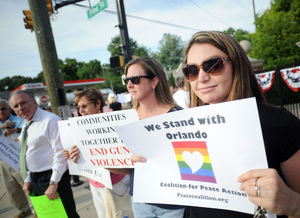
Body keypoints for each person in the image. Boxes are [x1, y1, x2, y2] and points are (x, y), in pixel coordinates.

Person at [181, 31, 300, 218]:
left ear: (236, 64)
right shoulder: (183, 127)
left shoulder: (278, 123)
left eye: (212, 65)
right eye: (191, 70)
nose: (201, 77)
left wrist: (292, 204)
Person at [111, 57, 185, 218]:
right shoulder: (126, 120)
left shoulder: (178, 116)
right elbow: (128, 168)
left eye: (135, 79)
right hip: (140, 201)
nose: (129, 85)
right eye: (127, 80)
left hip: (173, 204)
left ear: (154, 81)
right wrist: (99, 160)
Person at [63, 88, 133, 218]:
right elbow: (79, 159)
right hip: (95, 182)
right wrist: (71, 156)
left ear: (97, 104)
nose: (81, 110)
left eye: (84, 106)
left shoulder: (114, 124)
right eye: (79, 107)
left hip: (116, 183)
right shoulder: (78, 130)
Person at [9, 91, 79, 218]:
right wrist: (28, 179)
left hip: (53, 177)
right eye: (16, 106)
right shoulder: (26, 123)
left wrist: (53, 182)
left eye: (23, 103)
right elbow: (28, 153)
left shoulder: (50, 120)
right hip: (36, 179)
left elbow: (60, 153)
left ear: (34, 102)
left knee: (66, 215)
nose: (20, 108)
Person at [0, 99, 32, 218]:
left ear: (9, 109)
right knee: (11, 188)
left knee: (26, 184)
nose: (1, 111)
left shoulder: (18, 120)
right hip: (3, 161)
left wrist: (15, 130)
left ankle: (36, 210)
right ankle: (24, 209)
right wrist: (2, 126)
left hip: (18, 158)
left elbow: (28, 130)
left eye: (3, 108)